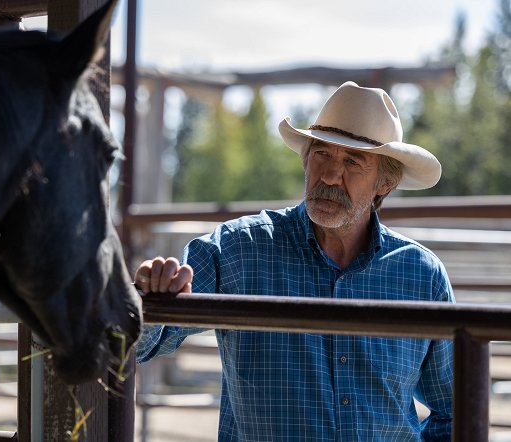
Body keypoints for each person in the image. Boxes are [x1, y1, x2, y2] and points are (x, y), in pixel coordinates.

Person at [134, 81, 454, 441]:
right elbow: (143, 344)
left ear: (385, 184)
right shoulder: (239, 249)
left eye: (352, 161)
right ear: (306, 158)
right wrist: (150, 298)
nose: (331, 176)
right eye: (322, 154)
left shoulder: (421, 275)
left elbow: (454, 411)